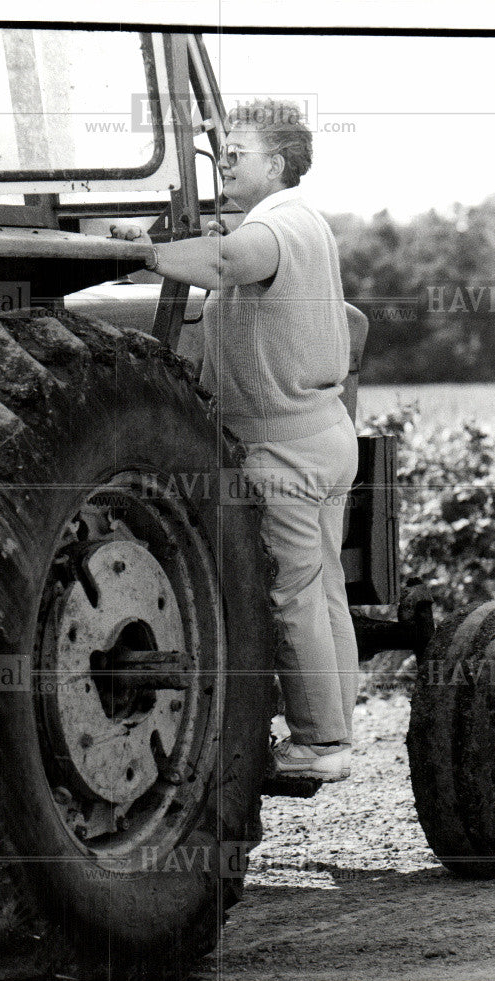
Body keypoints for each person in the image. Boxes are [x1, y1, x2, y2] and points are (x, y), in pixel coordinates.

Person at [110, 98, 361, 782]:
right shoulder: (300, 221)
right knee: (321, 590)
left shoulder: (276, 225)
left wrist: (136, 253)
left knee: (289, 594)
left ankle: (319, 744)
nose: (222, 159)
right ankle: (336, 729)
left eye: (237, 152)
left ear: (276, 164)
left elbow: (223, 263)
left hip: (283, 449)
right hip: (322, 433)